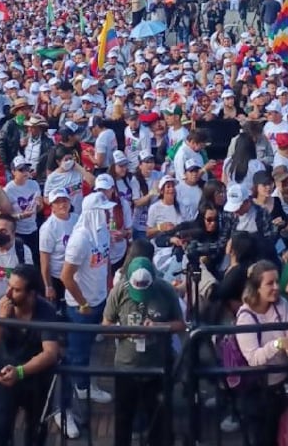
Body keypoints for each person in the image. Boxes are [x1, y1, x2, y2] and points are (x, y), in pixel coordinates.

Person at [102, 255, 185, 446]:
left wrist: (158, 327)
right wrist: (126, 331)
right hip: (126, 368)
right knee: (123, 420)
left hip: (158, 367)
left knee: (159, 421)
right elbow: (105, 327)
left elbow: (180, 324)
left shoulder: (166, 291)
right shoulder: (119, 291)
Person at [0, 264, 62, 446]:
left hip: (34, 377)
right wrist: (1, 319)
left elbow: (50, 352)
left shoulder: (45, 310)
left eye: (16, 290)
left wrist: (20, 372)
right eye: (9, 286)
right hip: (3, 377)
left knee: (36, 434)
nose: (8, 293)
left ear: (31, 294)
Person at [234, 260, 288, 446]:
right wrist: (278, 344)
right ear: (257, 288)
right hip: (260, 393)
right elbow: (253, 358)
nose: (277, 287)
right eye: (270, 283)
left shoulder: (282, 304)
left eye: (277, 281)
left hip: (284, 385)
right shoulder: (246, 318)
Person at [57, 191, 116, 436]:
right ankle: (73, 397)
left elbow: (105, 262)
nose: (108, 214)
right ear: (93, 213)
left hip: (99, 300)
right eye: (103, 211)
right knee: (77, 354)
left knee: (89, 349)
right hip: (80, 308)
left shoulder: (102, 232)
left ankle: (84, 385)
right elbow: (66, 276)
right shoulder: (80, 239)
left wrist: (107, 288)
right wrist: (82, 303)